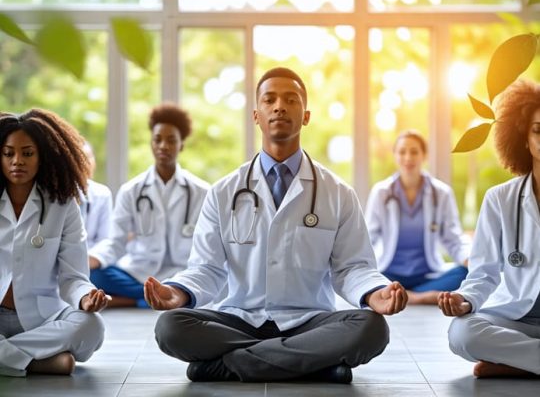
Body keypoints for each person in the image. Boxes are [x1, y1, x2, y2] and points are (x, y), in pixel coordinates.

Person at [143, 67, 407, 384]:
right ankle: (315, 364)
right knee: (170, 328)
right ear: (256, 115)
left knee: (371, 328)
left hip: (310, 320)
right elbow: (207, 269)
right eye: (269, 99)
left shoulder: (337, 193)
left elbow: (352, 268)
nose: (279, 106)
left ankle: (225, 365)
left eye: (290, 100)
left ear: (306, 116)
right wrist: (178, 294)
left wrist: (376, 293)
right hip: (239, 319)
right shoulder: (224, 192)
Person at [439, 79, 540, 378]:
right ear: (523, 138)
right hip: (517, 316)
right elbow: (483, 273)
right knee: (462, 333)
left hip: (516, 339)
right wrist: (464, 300)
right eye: (539, 130)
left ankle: (517, 364)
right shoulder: (500, 199)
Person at [0, 109, 108, 377]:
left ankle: (9, 358)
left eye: (27, 153)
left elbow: (73, 276)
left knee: (92, 327)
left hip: (42, 319)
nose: (17, 161)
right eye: (8, 153)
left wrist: (85, 299)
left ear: (42, 157)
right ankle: (36, 361)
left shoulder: (63, 204)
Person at [88, 102, 209, 308]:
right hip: (138, 273)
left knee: (211, 281)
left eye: (171, 140)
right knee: (95, 275)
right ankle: (158, 298)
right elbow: (115, 242)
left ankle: (139, 299)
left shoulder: (202, 191)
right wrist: (94, 259)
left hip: (182, 274)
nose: (163, 146)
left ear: (182, 145)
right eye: (158, 139)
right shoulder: (131, 190)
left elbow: (207, 247)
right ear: (151, 143)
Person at [365, 130, 470, 305]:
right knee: (368, 280)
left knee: (465, 273)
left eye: (414, 152)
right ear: (395, 156)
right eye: (402, 152)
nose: (408, 158)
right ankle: (423, 296)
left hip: (426, 274)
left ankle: (405, 296)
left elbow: (453, 239)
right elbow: (368, 238)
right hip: (389, 274)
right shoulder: (381, 192)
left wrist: (470, 260)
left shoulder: (441, 193)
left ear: (424, 155)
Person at [80, 141, 113, 249]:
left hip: (92, 260)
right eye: (79, 159)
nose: (85, 164)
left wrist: (89, 262)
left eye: (88, 158)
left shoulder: (102, 194)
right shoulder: (56, 196)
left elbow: (105, 240)